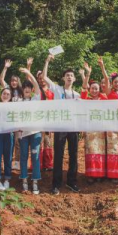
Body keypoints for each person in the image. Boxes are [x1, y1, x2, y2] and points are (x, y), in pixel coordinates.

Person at [43, 53, 81, 195]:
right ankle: (56, 184)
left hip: (73, 127)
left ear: (74, 78)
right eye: (67, 75)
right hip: (60, 126)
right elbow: (45, 78)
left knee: (74, 154)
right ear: (63, 78)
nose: (69, 77)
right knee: (58, 155)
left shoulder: (77, 95)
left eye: (71, 75)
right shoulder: (58, 89)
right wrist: (47, 60)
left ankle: (72, 182)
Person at [80, 63, 109, 184]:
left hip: (101, 130)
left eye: (96, 88)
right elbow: (83, 88)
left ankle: (100, 174)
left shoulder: (104, 98)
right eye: (92, 88)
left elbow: (107, 82)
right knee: (91, 151)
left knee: (100, 152)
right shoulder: (86, 99)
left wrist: (102, 67)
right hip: (90, 130)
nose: (94, 90)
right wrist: (87, 74)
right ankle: (91, 174)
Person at [17, 67, 43, 194]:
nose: (27, 89)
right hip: (23, 134)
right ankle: (24, 180)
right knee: (23, 156)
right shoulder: (18, 101)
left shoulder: (36, 99)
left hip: (35, 133)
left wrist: (28, 73)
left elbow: (37, 86)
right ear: (22, 89)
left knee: (35, 156)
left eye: (29, 87)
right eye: (25, 87)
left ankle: (35, 181)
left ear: (32, 89)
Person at [0, 71, 15, 191]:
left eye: (8, 94)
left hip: (9, 134)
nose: (5, 96)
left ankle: (7, 179)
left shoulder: (13, 107)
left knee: (8, 157)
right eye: (4, 94)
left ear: (10, 97)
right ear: (1, 95)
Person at [36, 69, 55, 172]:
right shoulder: (37, 90)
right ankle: (38, 163)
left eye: (43, 78)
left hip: (48, 119)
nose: (41, 80)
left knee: (48, 142)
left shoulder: (51, 91)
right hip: (38, 119)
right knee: (39, 141)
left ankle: (48, 164)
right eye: (39, 79)